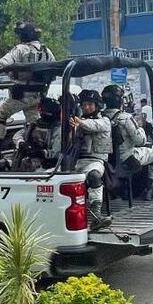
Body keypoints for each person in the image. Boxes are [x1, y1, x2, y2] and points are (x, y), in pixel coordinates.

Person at [0, 22, 55, 142]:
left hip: (20, 95)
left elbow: (1, 64)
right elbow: (53, 71)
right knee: (33, 123)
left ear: (25, 35)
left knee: (1, 115)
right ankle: (34, 144)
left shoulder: (20, 50)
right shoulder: (47, 51)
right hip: (39, 96)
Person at [102, 85, 153, 201]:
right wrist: (140, 127)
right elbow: (141, 141)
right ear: (120, 100)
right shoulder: (125, 118)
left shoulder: (100, 117)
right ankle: (149, 189)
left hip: (107, 161)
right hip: (126, 159)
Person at [69, 90, 113, 229]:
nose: (87, 107)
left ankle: (96, 215)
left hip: (96, 161)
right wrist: (72, 129)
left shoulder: (104, 121)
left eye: (90, 104)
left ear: (97, 105)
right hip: (76, 162)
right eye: (84, 105)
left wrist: (79, 122)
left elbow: (94, 125)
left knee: (94, 176)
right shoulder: (77, 123)